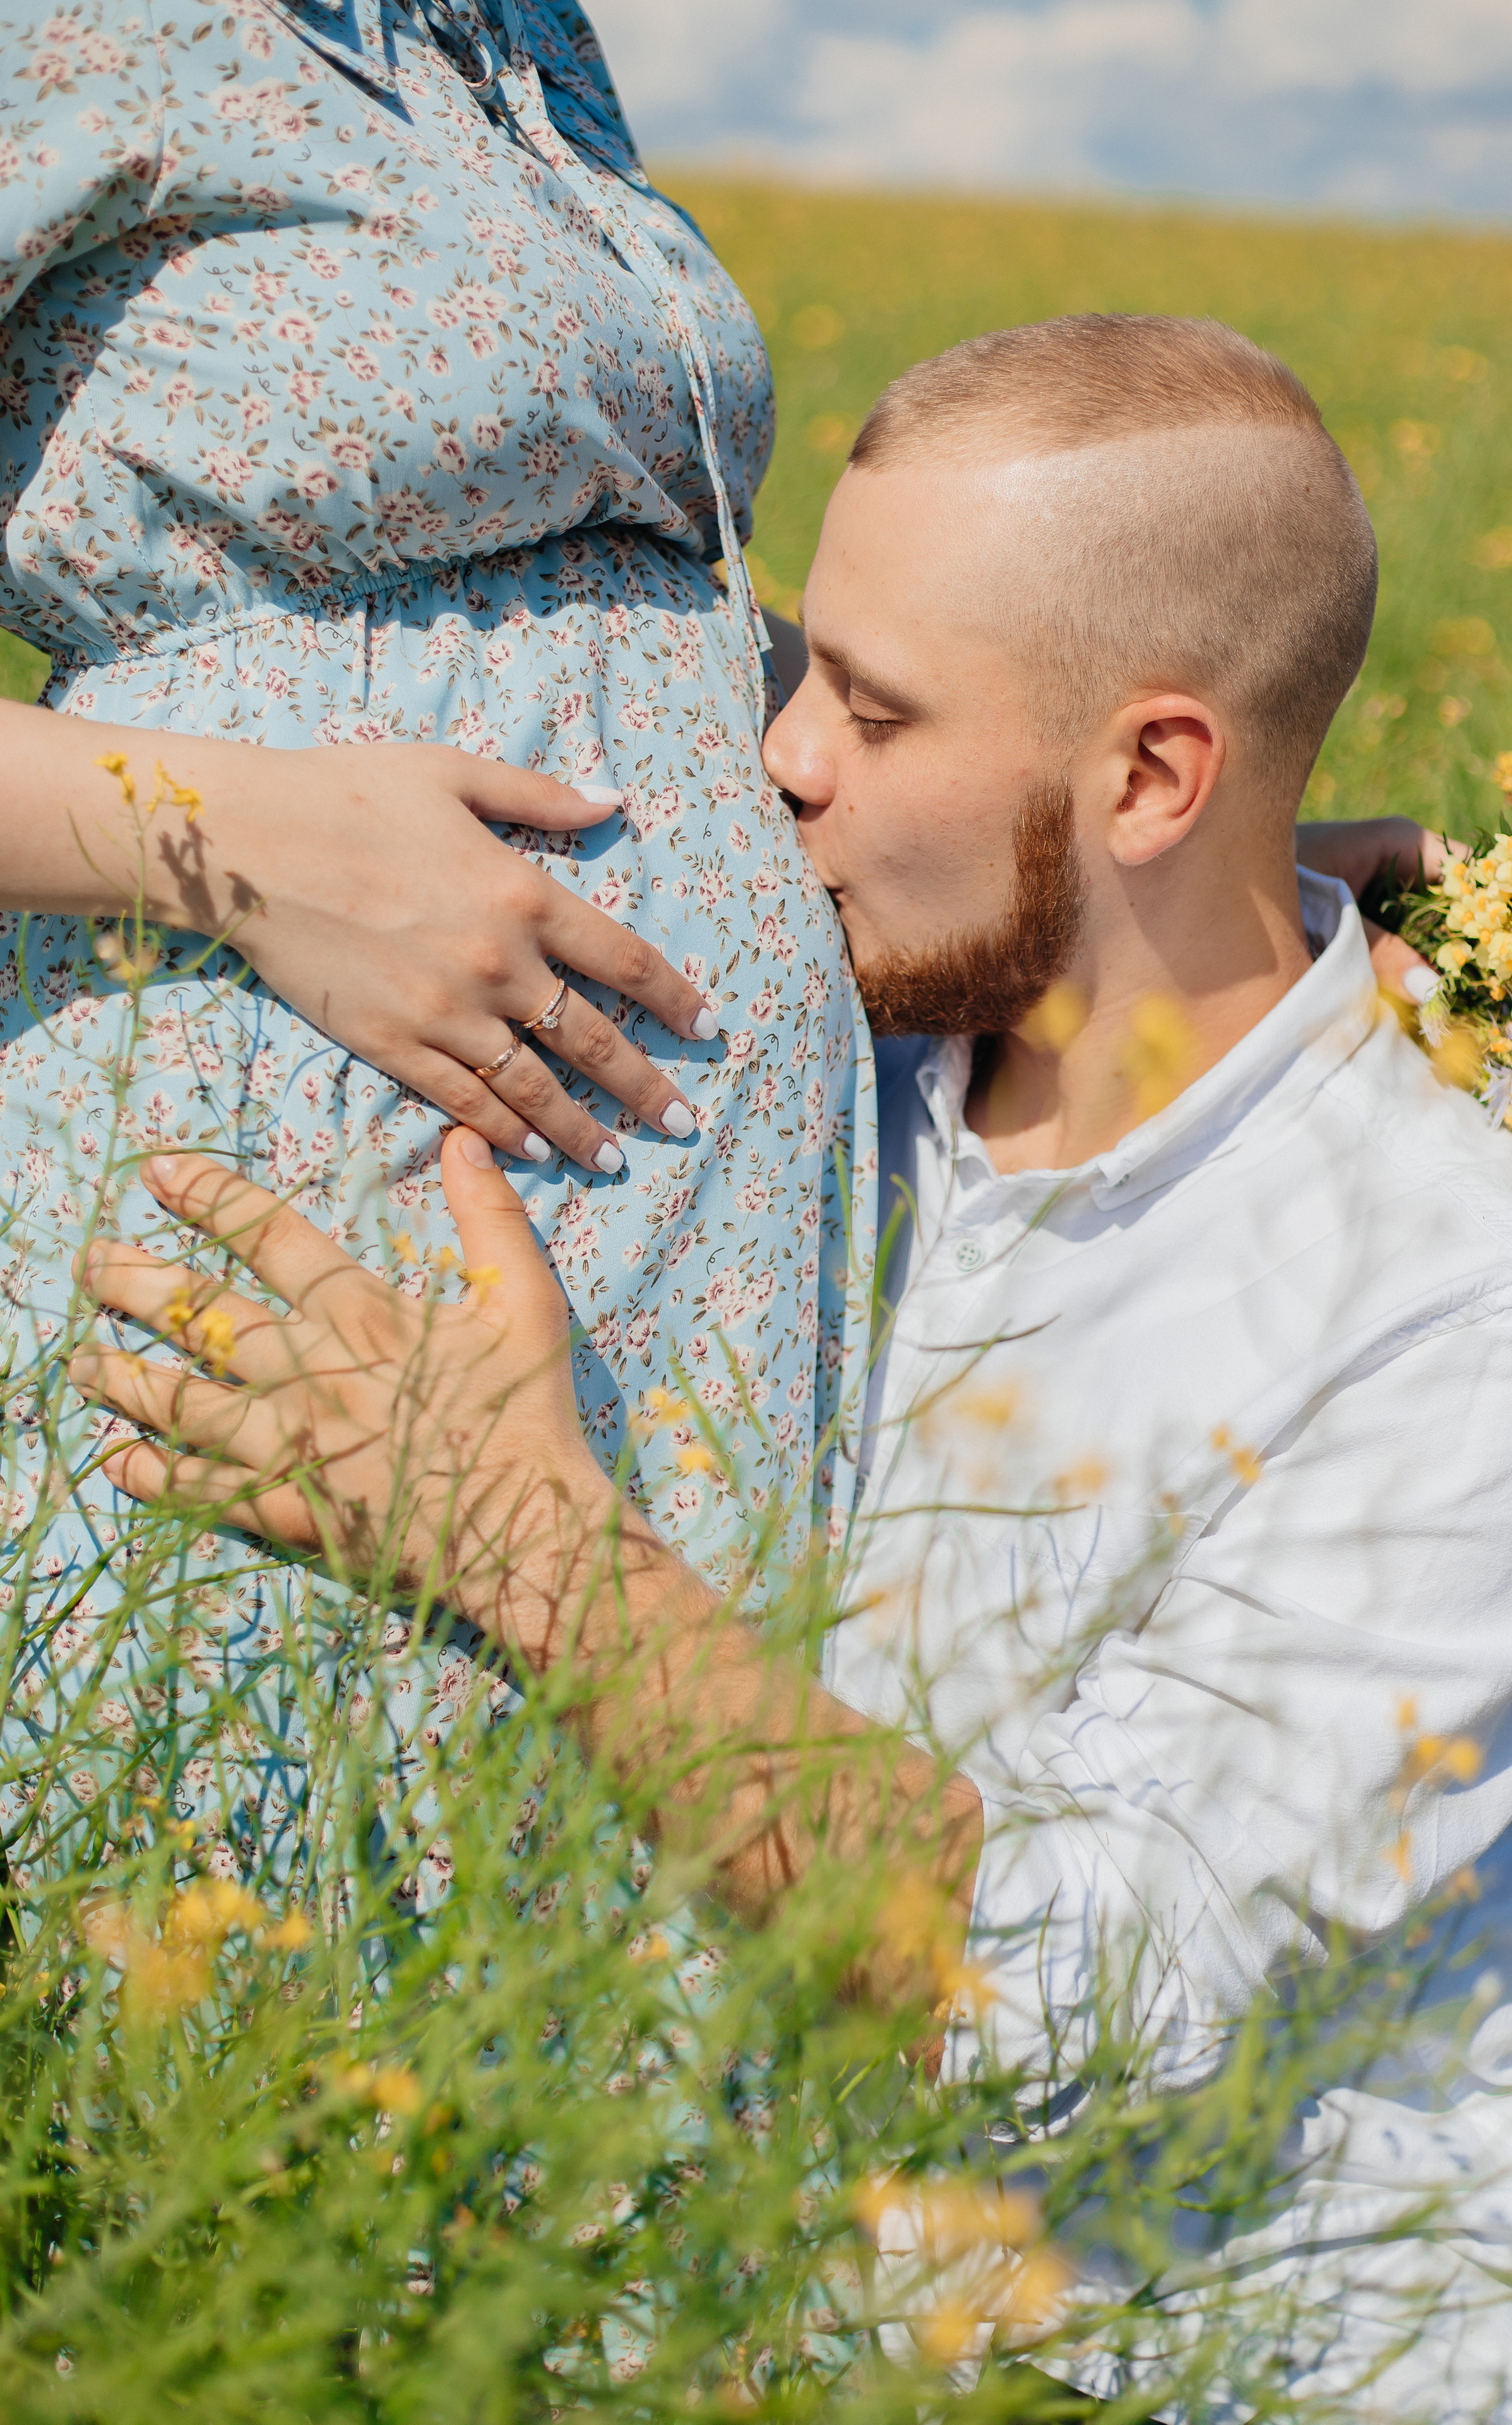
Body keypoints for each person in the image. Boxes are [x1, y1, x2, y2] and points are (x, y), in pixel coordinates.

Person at [72, 311, 1512, 2420]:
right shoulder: (841, 1059)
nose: (782, 755)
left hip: (1308, 2359)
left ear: (1157, 775)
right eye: (798, 665)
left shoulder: (1468, 1312)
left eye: (874, 713)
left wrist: (515, 1539)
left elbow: (1047, 2002)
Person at [0, 0, 874, 1889]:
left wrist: (1211, 874)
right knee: (311, 1987)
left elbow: (627, 601)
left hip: (691, 1237)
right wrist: (238, 844)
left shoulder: (512, 33)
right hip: (323, 1145)